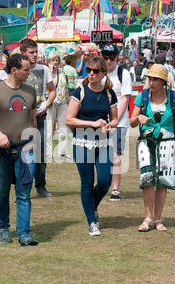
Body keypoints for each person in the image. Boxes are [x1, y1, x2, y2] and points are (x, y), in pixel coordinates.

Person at [0, 54, 39, 246]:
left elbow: (33, 121)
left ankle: (24, 233)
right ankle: (3, 227)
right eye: (26, 69)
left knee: (24, 193)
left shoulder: (31, 91)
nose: (29, 72)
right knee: (2, 191)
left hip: (25, 152)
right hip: (4, 152)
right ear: (14, 70)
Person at [130, 64, 175, 232]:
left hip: (167, 142)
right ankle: (148, 218)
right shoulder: (142, 97)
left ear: (164, 81)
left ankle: (158, 219)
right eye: (150, 78)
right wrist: (139, 118)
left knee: (163, 182)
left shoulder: (173, 97)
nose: (151, 82)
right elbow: (132, 120)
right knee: (147, 180)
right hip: (146, 142)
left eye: (155, 79)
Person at [66, 56, 118, 236]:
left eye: (95, 71)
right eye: (88, 70)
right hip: (82, 143)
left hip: (103, 143)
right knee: (87, 184)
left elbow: (115, 118)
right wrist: (93, 124)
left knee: (105, 181)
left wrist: (111, 125)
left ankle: (90, 206)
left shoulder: (109, 93)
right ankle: (92, 221)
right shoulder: (79, 91)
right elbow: (69, 119)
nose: (91, 74)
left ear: (104, 72)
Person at [20, 39, 56, 198]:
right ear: (23, 53)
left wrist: (47, 104)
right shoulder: (18, 70)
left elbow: (52, 90)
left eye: (36, 52)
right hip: (21, 118)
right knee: (22, 154)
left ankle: (41, 186)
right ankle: (21, 188)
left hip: (40, 116)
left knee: (40, 153)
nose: (35, 55)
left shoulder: (44, 69)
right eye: (31, 52)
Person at [100, 43, 132, 202]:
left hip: (119, 122)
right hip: (100, 122)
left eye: (111, 57)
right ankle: (102, 184)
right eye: (105, 57)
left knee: (115, 155)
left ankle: (116, 189)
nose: (108, 60)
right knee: (99, 154)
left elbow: (125, 100)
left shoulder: (123, 74)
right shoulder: (98, 73)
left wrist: (114, 121)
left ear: (117, 57)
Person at [45, 52, 70, 160]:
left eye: (56, 60)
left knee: (63, 128)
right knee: (49, 129)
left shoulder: (62, 72)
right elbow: (45, 87)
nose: (55, 62)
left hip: (63, 101)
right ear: (48, 61)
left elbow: (66, 87)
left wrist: (69, 101)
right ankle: (48, 152)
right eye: (52, 60)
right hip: (51, 103)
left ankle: (62, 151)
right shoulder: (47, 73)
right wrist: (50, 71)